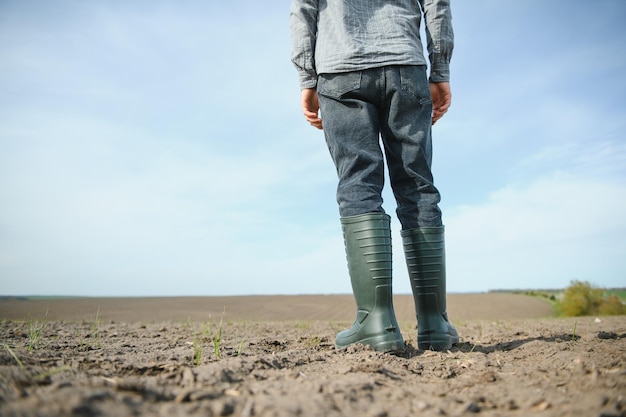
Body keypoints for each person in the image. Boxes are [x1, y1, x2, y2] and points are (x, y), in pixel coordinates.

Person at [289, 0, 459, 352]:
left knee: (358, 184)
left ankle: (376, 322)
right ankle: (434, 323)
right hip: (405, 64)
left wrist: (307, 77)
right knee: (417, 185)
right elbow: (437, 5)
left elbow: (303, 10)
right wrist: (440, 70)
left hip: (339, 69)